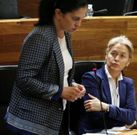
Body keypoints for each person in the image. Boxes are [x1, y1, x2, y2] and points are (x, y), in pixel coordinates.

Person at [4, 0, 88, 134]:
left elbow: (59, 73)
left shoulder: (65, 34)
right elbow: (24, 80)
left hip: (53, 118)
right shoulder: (40, 36)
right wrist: (59, 92)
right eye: (75, 19)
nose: (78, 24)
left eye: (82, 19)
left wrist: (73, 86)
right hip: (29, 123)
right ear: (59, 13)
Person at [78, 35, 137, 134]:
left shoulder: (128, 83)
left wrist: (106, 107)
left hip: (121, 131)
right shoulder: (91, 78)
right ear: (106, 55)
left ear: (128, 62)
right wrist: (124, 119)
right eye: (113, 54)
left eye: (122, 56)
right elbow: (97, 119)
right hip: (95, 132)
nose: (116, 59)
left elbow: (132, 116)